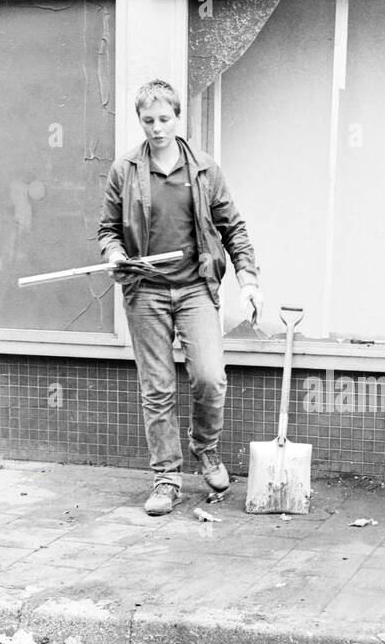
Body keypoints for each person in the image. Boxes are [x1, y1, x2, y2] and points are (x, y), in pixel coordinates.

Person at [99, 79, 263, 516]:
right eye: (148, 120)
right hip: (145, 290)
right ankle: (166, 478)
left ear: (177, 117)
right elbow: (108, 230)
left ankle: (205, 448)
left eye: (164, 119)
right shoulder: (125, 170)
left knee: (210, 376)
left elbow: (234, 229)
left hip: (195, 287)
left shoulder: (205, 169)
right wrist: (114, 254)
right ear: (140, 122)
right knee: (158, 388)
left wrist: (248, 279)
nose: (157, 128)